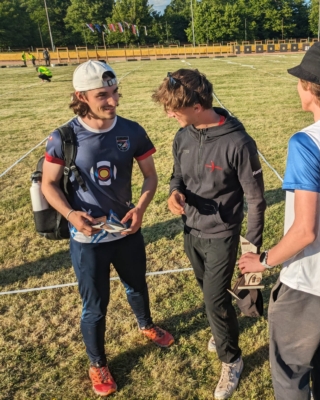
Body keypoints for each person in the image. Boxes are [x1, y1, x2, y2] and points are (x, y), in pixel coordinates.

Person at [239, 41, 320, 400]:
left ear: (309, 88)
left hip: (311, 278)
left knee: (290, 367)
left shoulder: (306, 142)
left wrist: (263, 260)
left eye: (299, 82)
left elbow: (305, 231)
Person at [41, 60, 174, 397]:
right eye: (103, 95)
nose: (113, 101)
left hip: (126, 231)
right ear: (81, 96)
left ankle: (146, 325)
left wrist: (140, 209)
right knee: (95, 305)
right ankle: (97, 362)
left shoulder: (132, 131)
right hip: (87, 239)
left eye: (115, 92)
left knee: (137, 285)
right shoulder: (63, 137)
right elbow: (48, 185)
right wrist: (72, 215)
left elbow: (150, 176)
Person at [152, 69, 266, 399]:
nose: (169, 115)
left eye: (174, 109)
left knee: (214, 300)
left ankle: (232, 359)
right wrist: (174, 193)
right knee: (210, 294)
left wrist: (251, 249)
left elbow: (256, 201)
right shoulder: (182, 136)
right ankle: (222, 328)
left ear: (198, 106)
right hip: (191, 231)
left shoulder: (238, 143)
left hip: (223, 234)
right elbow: (177, 176)